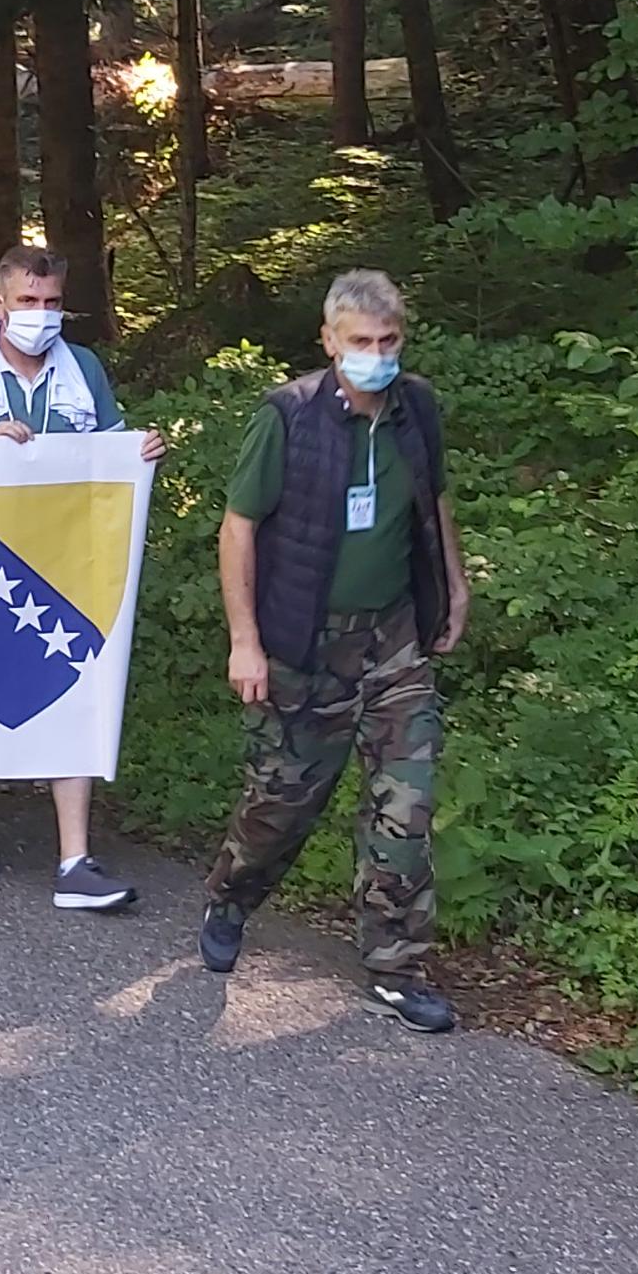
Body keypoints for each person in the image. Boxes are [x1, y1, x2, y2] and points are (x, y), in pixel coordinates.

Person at [199, 271, 469, 1032]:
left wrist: (454, 587)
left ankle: (396, 966)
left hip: (394, 640)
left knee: (406, 808)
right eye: (361, 343)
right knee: (279, 807)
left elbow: (436, 500)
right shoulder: (289, 417)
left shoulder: (415, 408)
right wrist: (246, 641)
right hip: (304, 646)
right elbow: (239, 529)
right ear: (329, 341)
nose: (376, 356)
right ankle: (231, 895)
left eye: (388, 342)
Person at [0, 244, 164, 912]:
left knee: (76, 683)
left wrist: (138, 453)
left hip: (66, 564)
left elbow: (109, 445)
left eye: (52, 303)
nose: (40, 315)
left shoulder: (82, 369)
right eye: (27, 302)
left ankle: (74, 857)